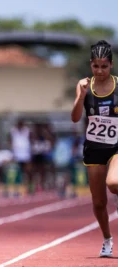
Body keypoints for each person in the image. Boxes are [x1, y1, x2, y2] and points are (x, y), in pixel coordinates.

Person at [71, 40, 117, 258]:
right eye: (96, 66)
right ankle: (107, 239)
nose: (99, 71)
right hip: (94, 148)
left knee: (114, 183)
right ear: (91, 65)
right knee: (99, 203)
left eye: (104, 66)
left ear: (111, 65)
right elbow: (75, 117)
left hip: (117, 146)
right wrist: (80, 95)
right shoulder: (84, 87)